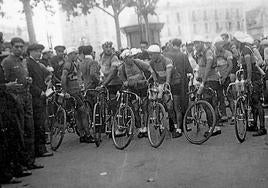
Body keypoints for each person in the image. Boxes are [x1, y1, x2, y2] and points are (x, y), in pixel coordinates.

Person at [1, 37, 44, 170]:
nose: (19, 49)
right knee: (19, 131)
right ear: (12, 47)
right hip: (15, 98)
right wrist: (9, 86)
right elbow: (5, 81)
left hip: (27, 96)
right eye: (17, 47)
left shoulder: (23, 61)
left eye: (21, 47)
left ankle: (30, 161)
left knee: (29, 129)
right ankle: (20, 164)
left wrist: (28, 80)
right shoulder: (7, 62)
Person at [0, 65, 31, 184]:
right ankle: (6, 174)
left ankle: (14, 169)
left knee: (12, 138)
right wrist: (6, 86)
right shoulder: (7, 62)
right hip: (3, 106)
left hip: (6, 104)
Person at [233, 32, 267, 136]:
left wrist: (248, 79)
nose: (233, 42)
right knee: (252, 102)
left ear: (238, 41)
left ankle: (262, 128)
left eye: (234, 40)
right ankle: (255, 125)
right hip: (252, 78)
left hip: (254, 78)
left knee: (257, 103)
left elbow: (248, 66)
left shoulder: (246, 49)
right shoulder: (243, 49)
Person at [119, 48, 156, 138]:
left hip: (143, 87)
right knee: (135, 109)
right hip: (132, 89)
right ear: (124, 59)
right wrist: (130, 82)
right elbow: (124, 82)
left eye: (131, 57)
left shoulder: (137, 62)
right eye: (128, 58)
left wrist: (152, 77)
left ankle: (146, 129)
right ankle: (139, 128)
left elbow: (149, 68)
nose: (131, 59)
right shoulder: (122, 68)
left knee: (144, 107)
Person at [61, 47, 94, 143]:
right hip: (73, 93)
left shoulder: (73, 64)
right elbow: (63, 78)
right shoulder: (68, 64)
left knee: (78, 114)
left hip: (76, 92)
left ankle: (82, 135)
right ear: (70, 54)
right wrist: (65, 91)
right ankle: (88, 135)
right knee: (84, 112)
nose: (76, 55)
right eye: (74, 54)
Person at [26, 44, 53, 158]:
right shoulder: (28, 63)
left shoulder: (38, 64)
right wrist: (39, 91)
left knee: (41, 122)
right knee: (38, 123)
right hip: (35, 97)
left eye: (40, 51)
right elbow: (29, 82)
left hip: (41, 95)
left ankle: (40, 147)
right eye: (36, 51)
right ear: (30, 52)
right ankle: (40, 149)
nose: (39, 53)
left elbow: (46, 76)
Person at [164, 38, 193, 138]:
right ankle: (182, 126)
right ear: (180, 45)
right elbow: (189, 69)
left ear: (172, 44)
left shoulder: (166, 54)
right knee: (181, 104)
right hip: (182, 83)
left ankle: (173, 126)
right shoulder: (183, 55)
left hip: (169, 81)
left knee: (170, 105)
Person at [194, 36, 222, 136]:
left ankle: (213, 128)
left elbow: (208, 68)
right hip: (207, 80)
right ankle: (215, 127)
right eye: (194, 43)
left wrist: (202, 83)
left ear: (202, 43)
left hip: (211, 81)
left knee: (208, 104)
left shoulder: (208, 52)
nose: (196, 45)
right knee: (211, 105)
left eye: (197, 43)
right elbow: (201, 67)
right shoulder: (199, 54)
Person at [214, 37, 233, 122]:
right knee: (220, 97)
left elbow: (230, 65)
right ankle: (224, 115)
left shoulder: (227, 53)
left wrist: (225, 76)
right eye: (217, 44)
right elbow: (214, 66)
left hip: (226, 77)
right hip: (218, 78)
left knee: (230, 97)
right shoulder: (214, 54)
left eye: (220, 44)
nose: (218, 46)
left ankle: (233, 114)